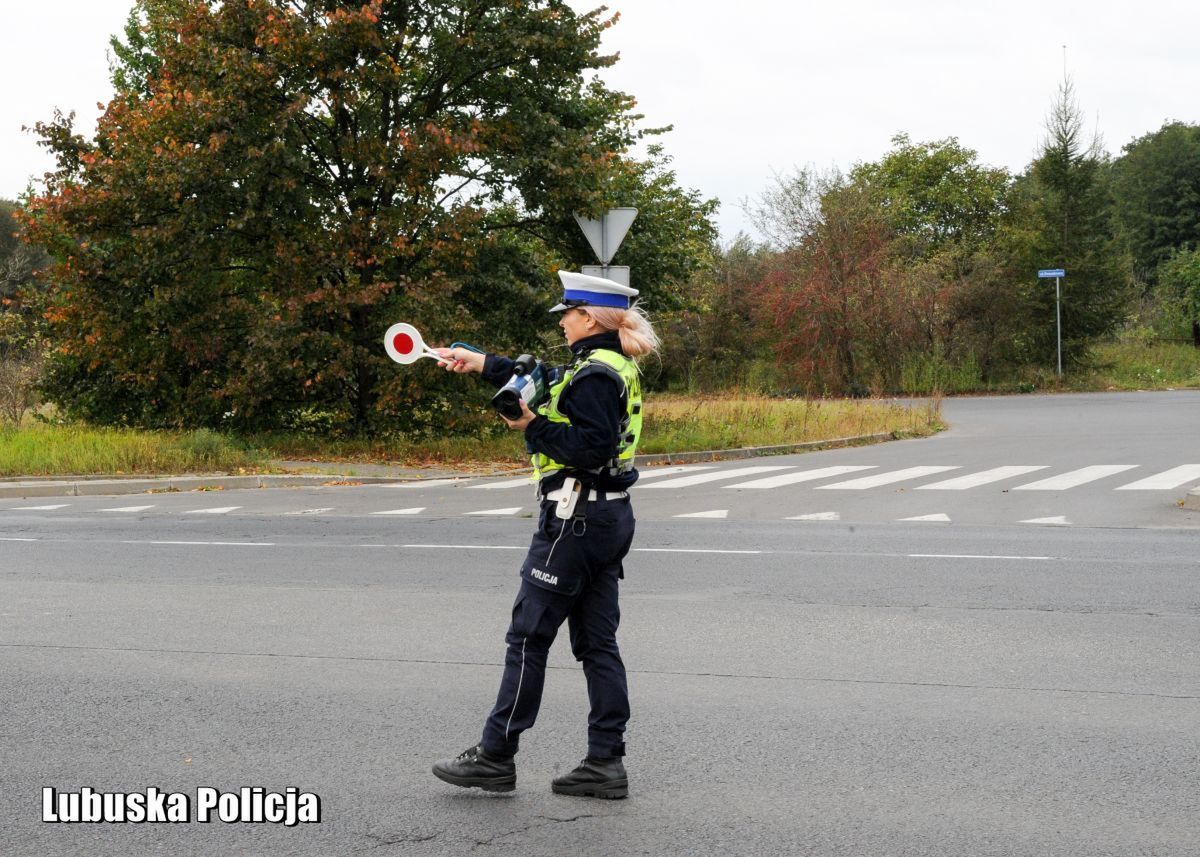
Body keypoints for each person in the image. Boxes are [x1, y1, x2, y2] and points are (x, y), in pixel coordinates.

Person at [429, 271, 658, 800]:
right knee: (597, 643)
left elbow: (591, 447)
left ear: (589, 318)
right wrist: (479, 363)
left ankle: (496, 755)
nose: (561, 322)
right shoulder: (605, 364)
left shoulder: (595, 376)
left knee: (528, 637)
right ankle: (605, 763)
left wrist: (530, 426)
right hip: (607, 517)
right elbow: (544, 378)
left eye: (568, 313)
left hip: (574, 519)